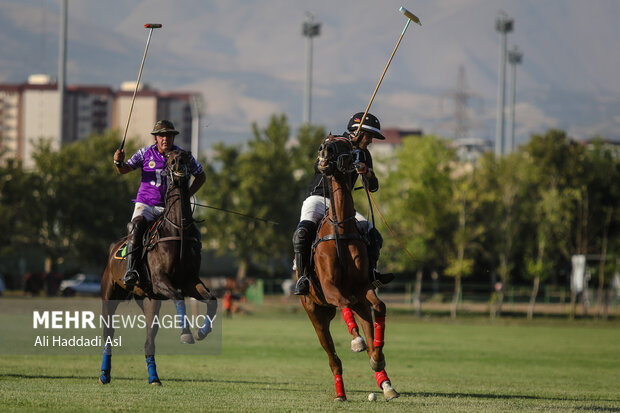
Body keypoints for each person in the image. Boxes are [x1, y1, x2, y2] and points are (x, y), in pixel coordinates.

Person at [293, 112, 395, 295]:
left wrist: (367, 173)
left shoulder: (364, 155)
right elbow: (319, 165)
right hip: (318, 199)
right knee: (302, 234)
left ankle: (371, 274)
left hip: (343, 205)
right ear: (359, 132)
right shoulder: (336, 143)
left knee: (374, 235)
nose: (371, 141)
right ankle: (303, 277)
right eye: (369, 136)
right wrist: (332, 155)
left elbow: (373, 187)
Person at [113, 120, 206, 286]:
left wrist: (187, 195)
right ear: (156, 138)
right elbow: (124, 169)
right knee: (136, 228)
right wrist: (118, 162)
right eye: (162, 135)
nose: (165, 139)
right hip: (146, 205)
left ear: (173, 138)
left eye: (169, 135)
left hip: (171, 208)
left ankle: (191, 271)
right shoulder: (144, 153)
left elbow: (201, 176)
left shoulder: (182, 156)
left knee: (195, 234)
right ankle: (131, 270)